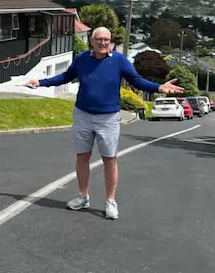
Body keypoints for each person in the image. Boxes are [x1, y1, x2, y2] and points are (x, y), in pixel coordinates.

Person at [26, 27, 183, 220]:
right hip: (83, 115)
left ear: (110, 42)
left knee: (109, 159)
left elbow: (137, 80)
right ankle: (83, 196)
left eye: (107, 40)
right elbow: (65, 77)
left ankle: (110, 201)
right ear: (92, 41)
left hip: (108, 118)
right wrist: (40, 82)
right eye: (99, 39)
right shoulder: (82, 59)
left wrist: (159, 87)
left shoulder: (119, 60)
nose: (103, 43)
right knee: (82, 156)